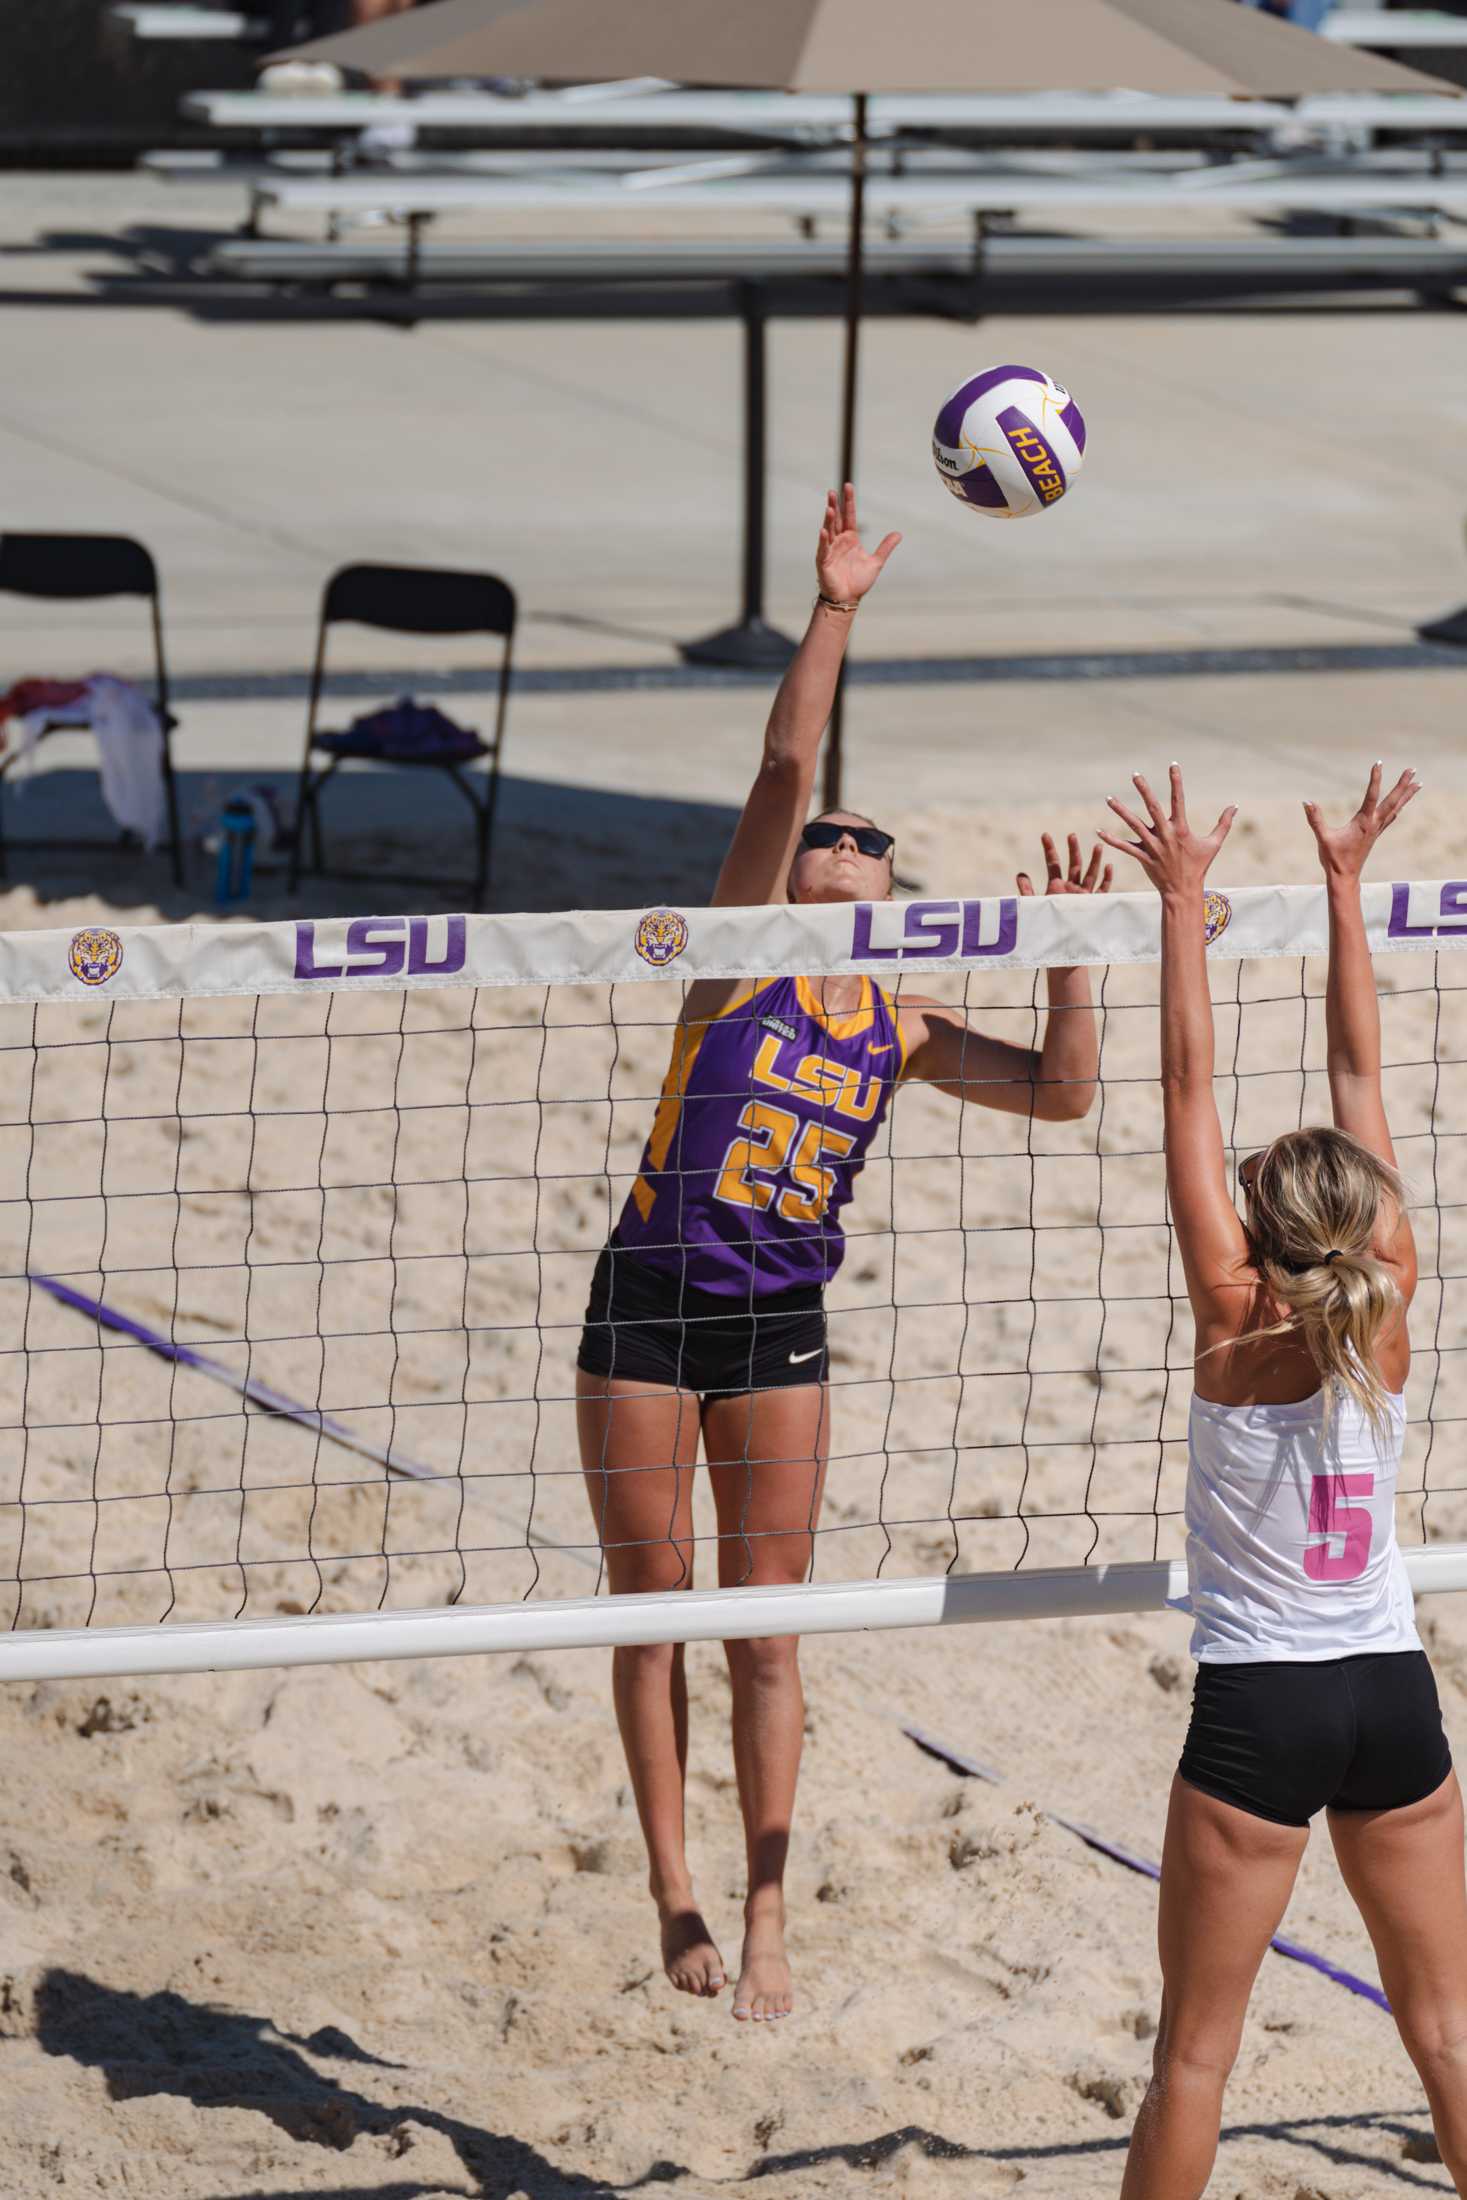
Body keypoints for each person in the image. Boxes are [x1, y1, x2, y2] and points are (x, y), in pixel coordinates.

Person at [576, 485, 1111, 2027]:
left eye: (873, 842)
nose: (846, 835)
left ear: (888, 892)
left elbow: (1067, 1095)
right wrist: (837, 606)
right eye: (830, 835)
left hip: (780, 1330)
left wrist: (1076, 954)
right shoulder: (736, 957)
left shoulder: (903, 1020)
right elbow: (788, 760)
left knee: (769, 1628)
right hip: (648, 1308)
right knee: (646, 1609)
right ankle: (670, 1883)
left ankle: (763, 1912)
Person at [1098, 762, 1467, 2198]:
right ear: (1366, 1226)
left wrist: (1184, 901)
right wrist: (1342, 884)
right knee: (1444, 2031)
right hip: (1390, 1688)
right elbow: (1361, 1084)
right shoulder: (1390, 1303)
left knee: (1197, 2054)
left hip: (1263, 1703)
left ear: (1257, 1224)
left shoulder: (1227, 1313)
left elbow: (1185, 1082)